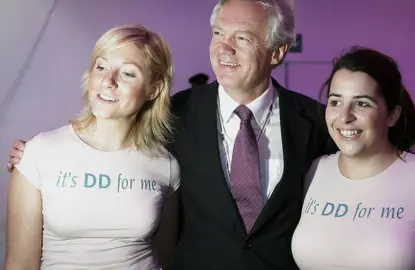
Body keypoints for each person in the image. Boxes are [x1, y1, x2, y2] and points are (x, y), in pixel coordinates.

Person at [7, 0, 332, 269]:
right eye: (219, 33)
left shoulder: (318, 122)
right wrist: (34, 154)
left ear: (277, 53)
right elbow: (109, 133)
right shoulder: (175, 114)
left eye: (242, 38)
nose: (224, 47)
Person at [4, 24, 180, 270]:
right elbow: (20, 264)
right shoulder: (37, 153)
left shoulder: (166, 165)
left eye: (128, 73)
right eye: (101, 67)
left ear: (154, 89)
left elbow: (168, 258)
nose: (108, 81)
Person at [291, 46, 415, 269]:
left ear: (392, 115)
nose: (344, 116)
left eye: (362, 103)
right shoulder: (313, 172)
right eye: (335, 102)